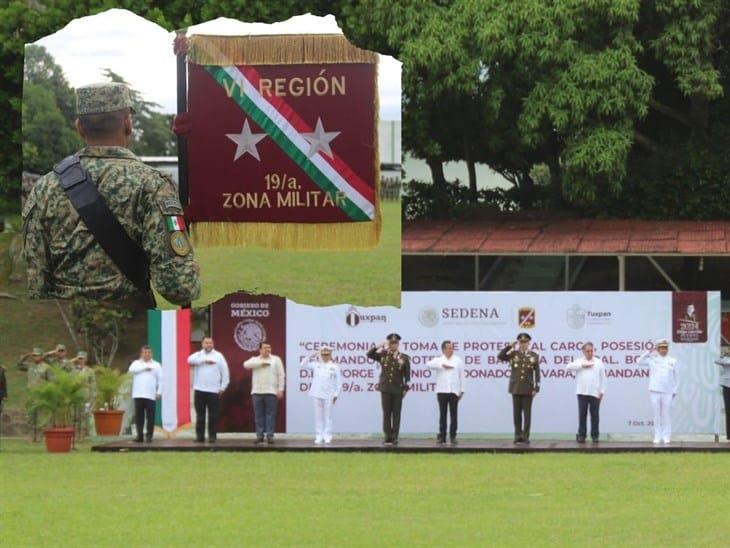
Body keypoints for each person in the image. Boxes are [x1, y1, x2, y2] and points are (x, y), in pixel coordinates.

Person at [22, 81, 201, 306]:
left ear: (79, 127)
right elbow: (179, 287)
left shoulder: (44, 187)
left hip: (66, 322)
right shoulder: (153, 186)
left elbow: (34, 280)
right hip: (131, 321)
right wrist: (191, 270)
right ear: (128, 124)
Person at [366, 333, 411, 446]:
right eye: (391, 343)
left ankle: (395, 436)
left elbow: (408, 377)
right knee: (386, 413)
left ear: (398, 344)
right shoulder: (383, 354)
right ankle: (388, 436)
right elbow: (369, 354)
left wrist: (405, 389)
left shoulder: (404, 357)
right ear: (388, 344)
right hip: (385, 388)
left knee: (396, 413)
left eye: (395, 343)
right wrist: (380, 345)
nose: (393, 345)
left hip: (397, 389)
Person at [497, 333, 541, 444]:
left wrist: (536, 388)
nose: (523, 344)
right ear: (518, 343)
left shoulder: (534, 356)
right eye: (521, 342)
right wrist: (509, 346)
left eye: (525, 342)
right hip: (515, 388)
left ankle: (525, 436)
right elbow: (500, 356)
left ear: (529, 343)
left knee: (527, 414)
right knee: (516, 414)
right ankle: (517, 435)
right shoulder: (513, 354)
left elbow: (537, 373)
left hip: (528, 389)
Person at [187, 337, 230, 443]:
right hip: (199, 390)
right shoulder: (198, 355)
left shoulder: (218, 356)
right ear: (202, 344)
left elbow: (225, 372)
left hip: (213, 390)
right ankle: (200, 437)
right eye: (206, 343)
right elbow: (189, 360)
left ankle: (212, 436)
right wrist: (204, 361)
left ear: (213, 344)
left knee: (213, 415)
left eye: (210, 342)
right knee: (200, 415)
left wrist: (222, 387)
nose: (208, 345)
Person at [638, 339, 679, 445]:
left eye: (665, 348)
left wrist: (675, 390)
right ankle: (657, 435)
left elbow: (677, 377)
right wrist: (649, 351)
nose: (663, 350)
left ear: (668, 349)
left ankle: (666, 436)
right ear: (657, 349)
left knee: (666, 414)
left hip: (668, 391)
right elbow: (639, 361)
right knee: (656, 414)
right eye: (661, 348)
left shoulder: (673, 361)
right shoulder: (652, 359)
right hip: (655, 390)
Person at [243, 343, 285, 444]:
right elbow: (245, 365)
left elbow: (281, 375)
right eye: (265, 348)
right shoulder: (255, 359)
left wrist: (280, 389)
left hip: (271, 391)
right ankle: (259, 436)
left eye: (269, 347)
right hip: (257, 392)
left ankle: (270, 436)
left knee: (271, 415)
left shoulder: (276, 359)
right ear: (260, 350)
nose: (267, 349)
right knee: (258, 415)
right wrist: (260, 363)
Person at [565, 342, 607, 443]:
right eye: (588, 351)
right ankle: (581, 435)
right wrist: (581, 366)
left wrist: (602, 392)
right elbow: (568, 367)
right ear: (583, 352)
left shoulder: (599, 362)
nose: (590, 353)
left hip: (595, 393)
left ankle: (595, 435)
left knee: (595, 415)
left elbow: (603, 379)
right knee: (582, 415)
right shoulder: (579, 361)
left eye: (592, 350)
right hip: (582, 392)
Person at [425, 340, 465, 445]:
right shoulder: (439, 359)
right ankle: (442, 437)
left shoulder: (458, 360)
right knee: (443, 414)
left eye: (452, 348)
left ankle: (453, 436)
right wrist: (442, 365)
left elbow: (462, 376)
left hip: (454, 391)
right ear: (444, 349)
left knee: (454, 415)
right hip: (442, 391)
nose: (451, 350)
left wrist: (462, 390)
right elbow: (428, 364)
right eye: (449, 348)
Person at [300, 347, 342, 445]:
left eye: (327, 355)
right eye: (323, 355)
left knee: (328, 416)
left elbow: (339, 382)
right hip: (317, 393)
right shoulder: (316, 365)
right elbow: (302, 364)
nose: (325, 357)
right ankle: (319, 436)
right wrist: (311, 355)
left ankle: (327, 436)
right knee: (318, 416)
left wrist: (336, 394)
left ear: (330, 355)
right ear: (321, 355)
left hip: (329, 394)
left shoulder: (335, 366)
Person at [128, 346, 162, 442]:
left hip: (150, 395)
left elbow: (161, 380)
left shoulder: (156, 365)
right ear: (141, 354)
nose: (147, 354)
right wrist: (144, 368)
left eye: (149, 352)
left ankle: (149, 436)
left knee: (150, 417)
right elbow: (131, 370)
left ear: (152, 354)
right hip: (138, 394)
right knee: (139, 417)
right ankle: (139, 435)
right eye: (145, 352)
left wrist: (159, 392)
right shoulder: (136, 363)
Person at [20, 348, 50, 442]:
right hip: (31, 394)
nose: (35, 357)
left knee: (41, 416)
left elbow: (51, 381)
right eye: (34, 355)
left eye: (37, 355)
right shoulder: (30, 366)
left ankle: (40, 435)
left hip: (41, 394)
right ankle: (33, 436)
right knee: (31, 415)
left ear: (41, 356)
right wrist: (26, 356)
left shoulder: (46, 367)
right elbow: (18, 366)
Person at [71, 351, 96, 440]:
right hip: (75, 396)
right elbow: (64, 366)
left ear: (86, 359)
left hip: (86, 397)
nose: (80, 360)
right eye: (79, 358)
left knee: (84, 416)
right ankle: (75, 435)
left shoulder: (90, 371)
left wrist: (93, 398)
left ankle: (83, 436)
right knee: (75, 417)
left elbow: (93, 385)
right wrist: (74, 360)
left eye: (82, 358)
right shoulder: (73, 369)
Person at [714, 347, 730, 443]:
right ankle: (729, 435)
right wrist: (724, 355)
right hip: (727, 386)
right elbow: (717, 361)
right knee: (728, 411)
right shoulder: (725, 360)